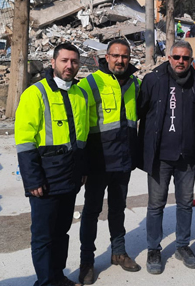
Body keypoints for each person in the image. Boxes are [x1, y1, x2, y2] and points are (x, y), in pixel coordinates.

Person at [138, 40, 195, 274]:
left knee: (185, 205)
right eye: (176, 57)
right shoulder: (153, 80)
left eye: (185, 58)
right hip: (160, 157)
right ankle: (153, 249)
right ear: (168, 57)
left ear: (191, 59)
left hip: (188, 157)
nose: (181, 62)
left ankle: (182, 246)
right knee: (156, 205)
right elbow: (137, 111)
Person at [15, 43, 89, 286]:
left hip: (69, 178)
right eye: (65, 60)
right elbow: (25, 141)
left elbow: (82, 138)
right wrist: (32, 179)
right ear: (53, 62)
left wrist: (82, 170)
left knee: (61, 233)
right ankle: (46, 282)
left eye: (74, 62)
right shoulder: (35, 93)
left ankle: (58, 277)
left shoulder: (79, 94)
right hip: (45, 179)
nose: (70, 66)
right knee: (44, 237)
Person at [77, 39, 142, 284]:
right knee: (91, 212)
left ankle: (119, 252)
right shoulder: (90, 83)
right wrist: (81, 163)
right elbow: (79, 124)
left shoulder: (135, 84)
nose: (120, 60)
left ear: (129, 58)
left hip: (123, 161)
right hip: (97, 163)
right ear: (106, 57)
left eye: (124, 56)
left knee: (118, 209)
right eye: (115, 55)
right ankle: (87, 262)